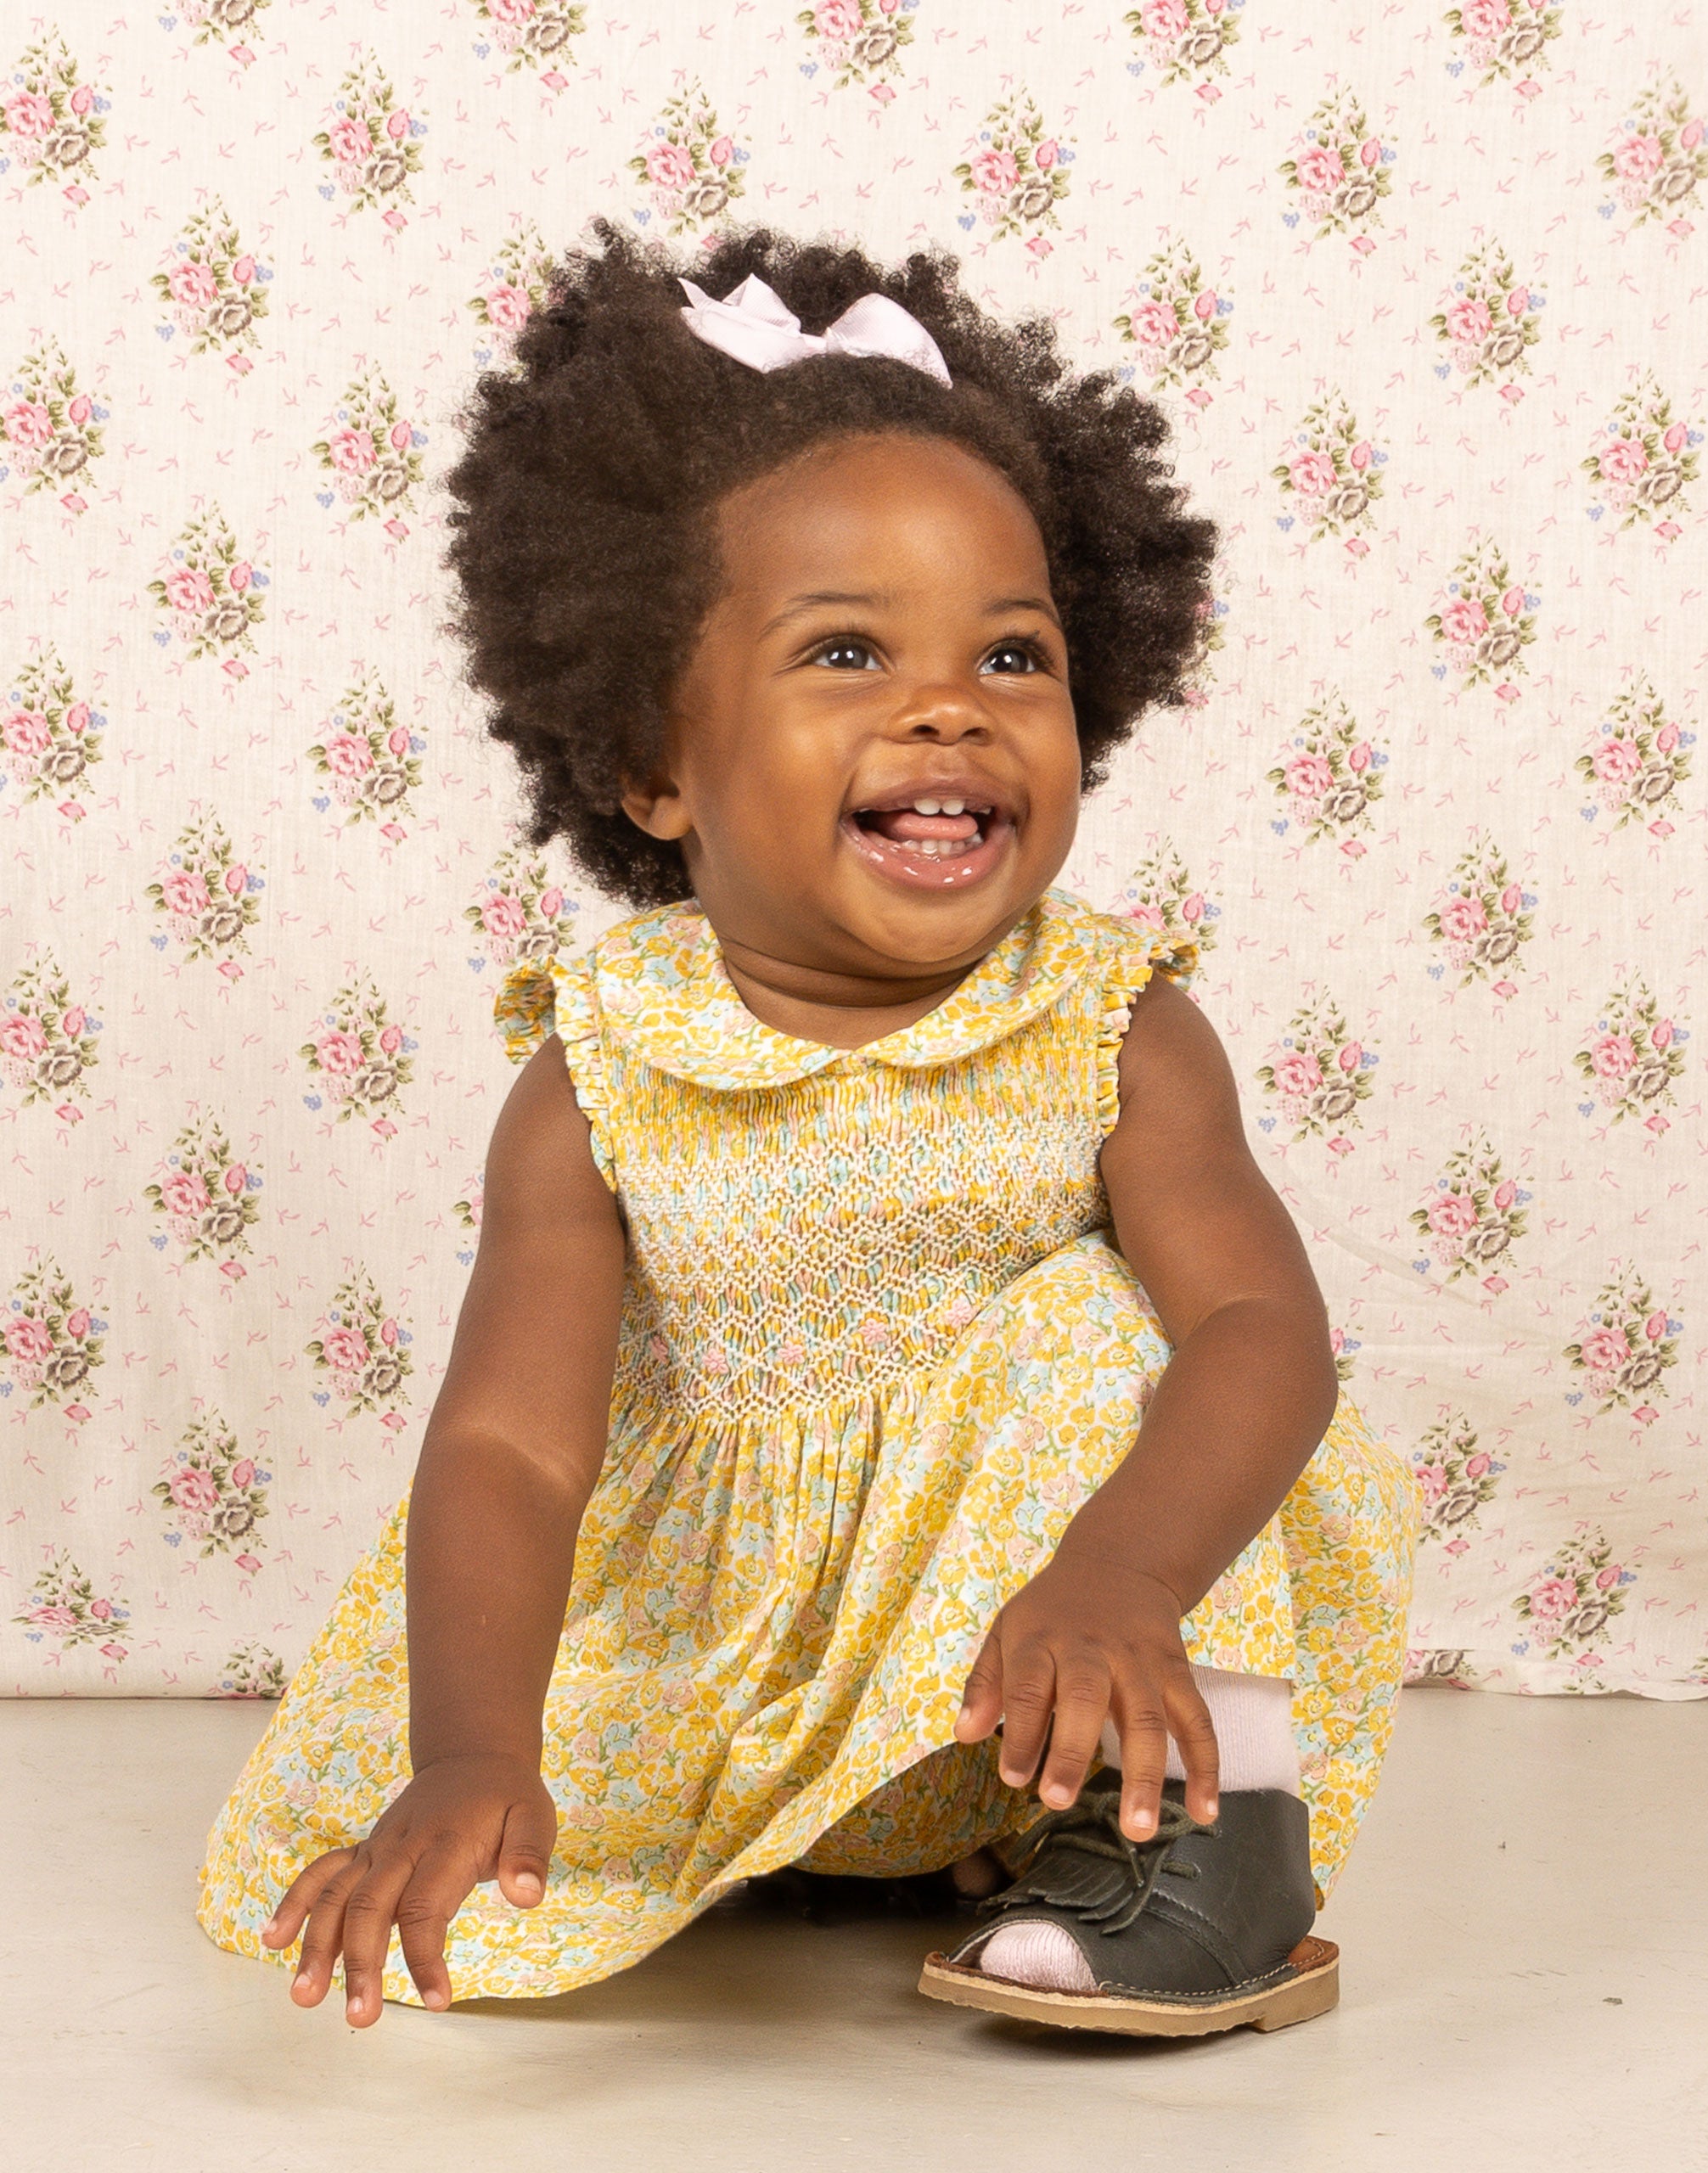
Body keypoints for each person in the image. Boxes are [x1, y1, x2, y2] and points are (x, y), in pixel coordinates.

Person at [195, 221, 1420, 2038]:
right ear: (653, 765)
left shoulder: (1109, 1024)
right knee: (502, 1837)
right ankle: (735, 1828)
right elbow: (516, 1451)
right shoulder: (601, 1077)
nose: (950, 703)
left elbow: (1261, 1334)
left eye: (1014, 656)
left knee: (1102, 1324)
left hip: (1049, 1681)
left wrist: (1120, 1571)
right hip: (729, 1687)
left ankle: (1196, 1831)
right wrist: (467, 1748)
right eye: (845, 648)